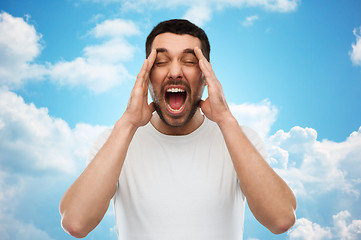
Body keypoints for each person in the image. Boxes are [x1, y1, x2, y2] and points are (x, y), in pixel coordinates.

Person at [59, 19, 297, 239]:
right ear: (147, 75)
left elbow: (281, 219)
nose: (174, 72)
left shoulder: (239, 138)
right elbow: (76, 223)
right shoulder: (116, 140)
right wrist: (128, 123)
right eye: (161, 62)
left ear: (205, 75)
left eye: (190, 61)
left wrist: (225, 119)